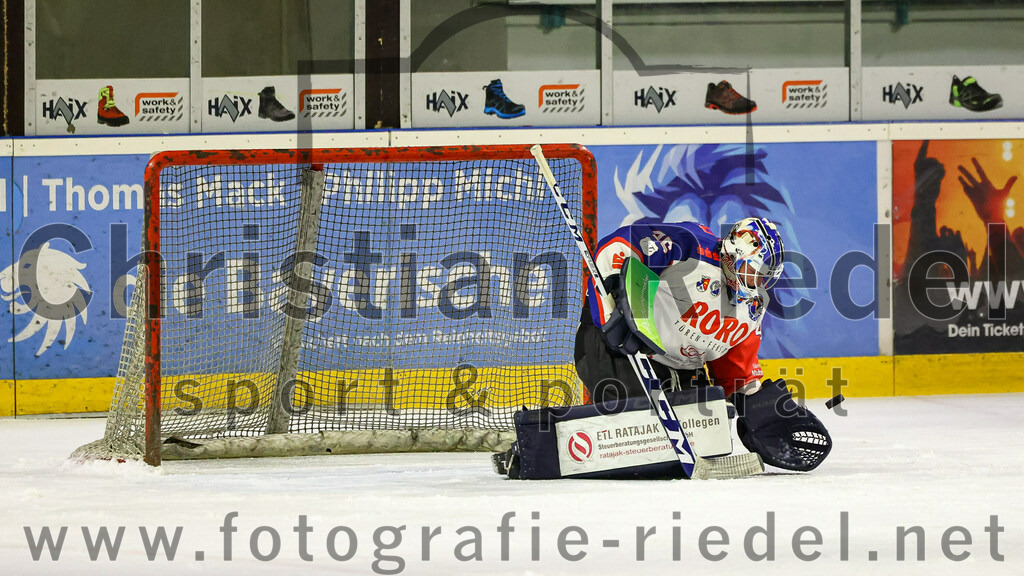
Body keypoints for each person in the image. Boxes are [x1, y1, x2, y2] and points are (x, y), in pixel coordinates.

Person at [574, 217, 832, 471]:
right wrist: (612, 309)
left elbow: (736, 365)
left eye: (765, 273)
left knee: (704, 438)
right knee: (639, 440)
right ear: (733, 254)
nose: (758, 280)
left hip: (679, 368)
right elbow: (620, 244)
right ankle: (576, 440)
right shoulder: (693, 247)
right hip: (618, 346)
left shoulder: (754, 306)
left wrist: (756, 406)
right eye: (754, 269)